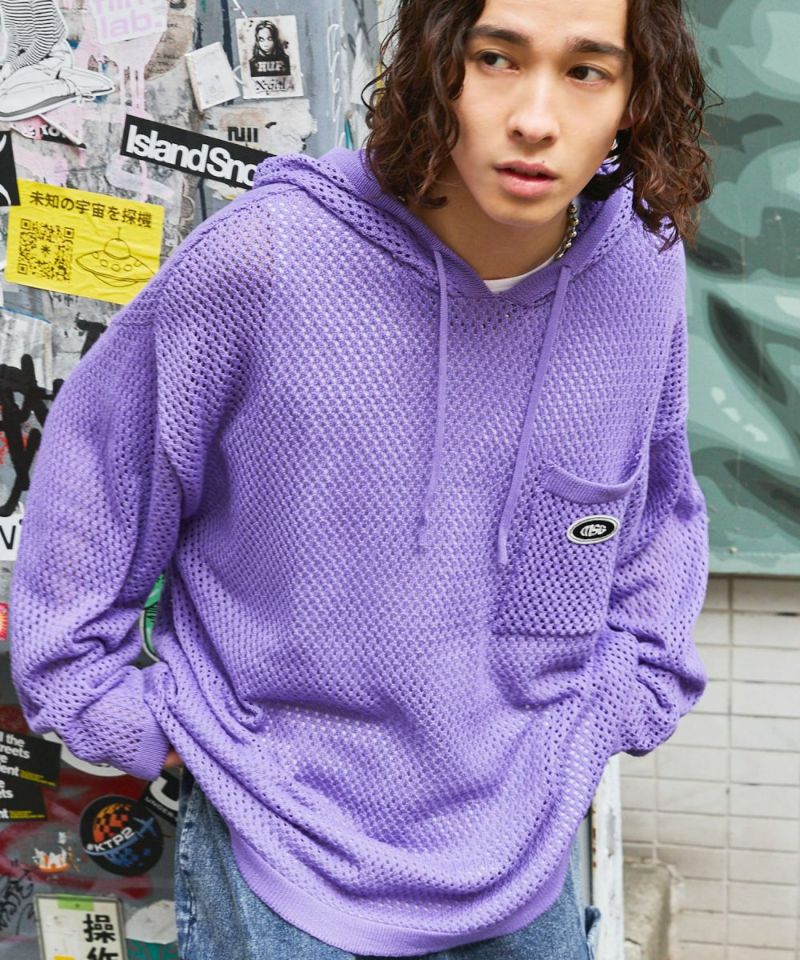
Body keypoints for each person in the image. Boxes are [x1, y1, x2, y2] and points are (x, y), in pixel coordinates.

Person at [10, 0, 715, 957]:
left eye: (587, 70)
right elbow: (94, 489)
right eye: (496, 58)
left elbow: (655, 515)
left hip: (525, 866)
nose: (536, 118)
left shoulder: (639, 268)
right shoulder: (266, 260)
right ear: (435, 59)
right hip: (284, 866)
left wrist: (610, 711)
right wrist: (135, 720)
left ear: (636, 96)